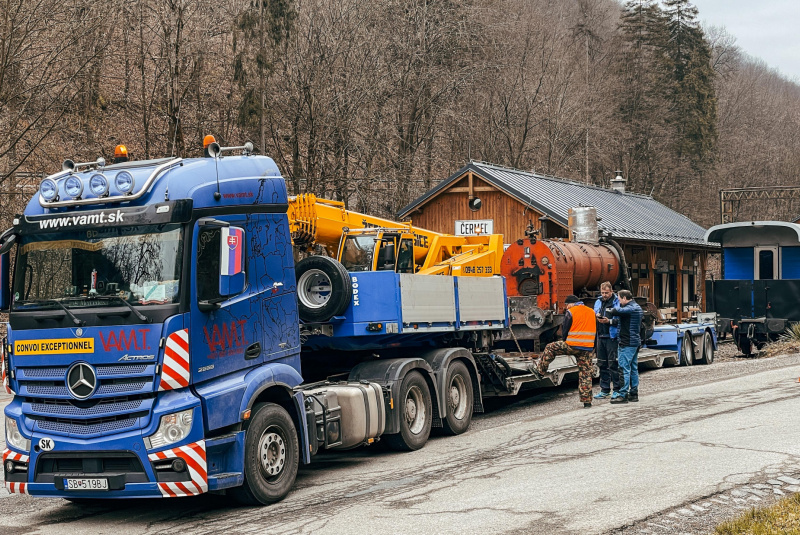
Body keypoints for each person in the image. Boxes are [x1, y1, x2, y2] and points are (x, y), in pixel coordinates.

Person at [531, 294, 597, 408]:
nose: (566, 308)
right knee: (585, 374)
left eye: (566, 305)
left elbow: (565, 330)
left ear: (570, 304)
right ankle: (587, 402)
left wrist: (566, 341)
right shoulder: (592, 311)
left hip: (572, 345)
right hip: (587, 348)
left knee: (550, 347)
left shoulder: (571, 312)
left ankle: (540, 371)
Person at [607, 289, 643, 404]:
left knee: (623, 368)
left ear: (624, 298)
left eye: (619, 299)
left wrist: (610, 310)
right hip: (634, 342)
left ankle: (623, 394)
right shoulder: (636, 307)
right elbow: (621, 318)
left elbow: (619, 311)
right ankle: (634, 393)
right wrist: (609, 321)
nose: (619, 302)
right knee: (633, 368)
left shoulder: (631, 308)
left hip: (627, 342)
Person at [593, 282, 621, 400]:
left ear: (611, 292)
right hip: (601, 336)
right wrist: (596, 315)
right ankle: (605, 390)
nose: (604, 295)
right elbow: (593, 313)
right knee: (602, 364)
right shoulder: (598, 301)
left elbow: (621, 319)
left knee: (613, 364)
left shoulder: (617, 302)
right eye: (602, 292)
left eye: (606, 293)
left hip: (612, 337)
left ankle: (617, 389)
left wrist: (608, 321)